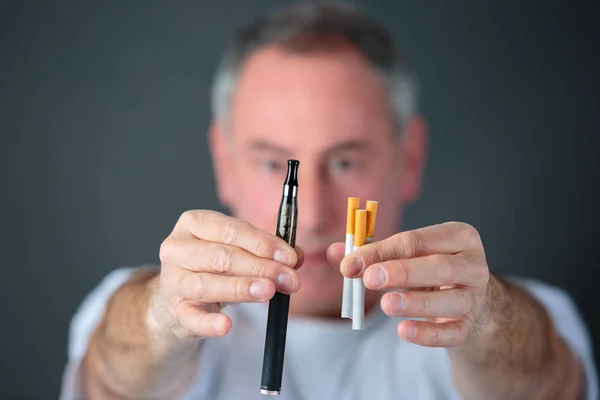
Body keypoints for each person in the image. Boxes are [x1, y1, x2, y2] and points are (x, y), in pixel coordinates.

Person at [59, 2, 598, 399]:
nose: (314, 216)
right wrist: (158, 317)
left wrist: (488, 320)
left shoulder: (534, 318)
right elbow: (113, 375)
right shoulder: (153, 314)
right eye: (275, 163)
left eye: (345, 162)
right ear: (223, 161)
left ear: (409, 159)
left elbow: (543, 378)